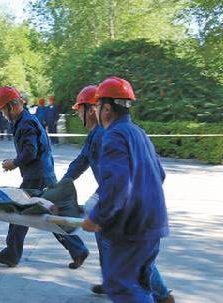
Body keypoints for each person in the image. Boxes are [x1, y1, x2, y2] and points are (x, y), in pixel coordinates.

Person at [63, 85, 174, 303]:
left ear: (105, 109)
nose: (81, 114)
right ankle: (161, 295)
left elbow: (117, 187)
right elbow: (159, 175)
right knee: (139, 281)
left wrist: (96, 217)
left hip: (132, 226)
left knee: (121, 286)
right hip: (154, 222)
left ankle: (161, 294)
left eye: (95, 106)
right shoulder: (138, 133)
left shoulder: (113, 136)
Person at [0, 86, 89, 269]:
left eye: (3, 110)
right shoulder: (24, 120)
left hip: (36, 178)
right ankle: (77, 249)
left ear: (11, 107)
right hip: (42, 175)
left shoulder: (25, 123)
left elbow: (30, 152)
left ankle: (12, 254)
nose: (3, 114)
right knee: (47, 216)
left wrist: (14, 162)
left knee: (18, 213)